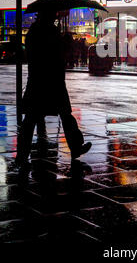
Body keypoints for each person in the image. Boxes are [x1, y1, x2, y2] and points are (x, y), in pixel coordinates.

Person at [16, 10, 91, 166]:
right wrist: (64, 42)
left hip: (38, 80)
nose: (57, 17)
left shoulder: (33, 32)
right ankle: (75, 147)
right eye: (55, 16)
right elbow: (56, 54)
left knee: (31, 119)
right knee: (64, 115)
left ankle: (22, 154)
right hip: (51, 80)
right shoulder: (49, 31)